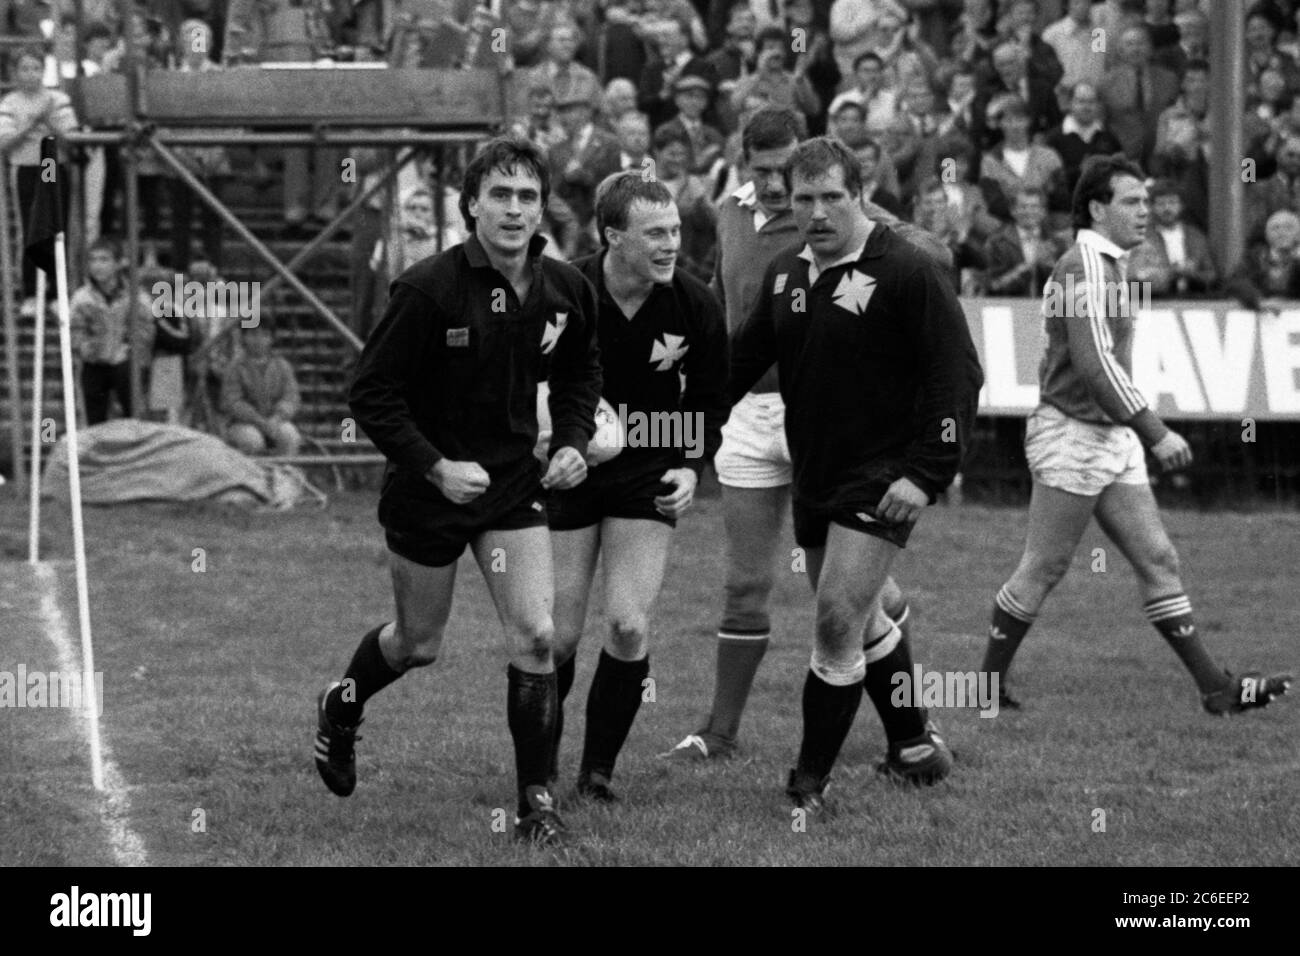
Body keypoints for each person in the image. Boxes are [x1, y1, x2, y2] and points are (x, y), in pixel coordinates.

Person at [314, 137, 603, 848]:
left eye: (526, 197)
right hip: (428, 491)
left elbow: (579, 378)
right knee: (417, 644)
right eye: (499, 195)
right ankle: (341, 706)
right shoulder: (427, 288)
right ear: (471, 203)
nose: (513, 209)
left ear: (542, 209)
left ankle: (537, 804)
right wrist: (436, 466)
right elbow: (371, 395)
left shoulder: (567, 289)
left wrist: (569, 441)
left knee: (538, 637)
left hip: (511, 489)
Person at [980, 155, 1292, 715]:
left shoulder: (1110, 264)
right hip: (1073, 434)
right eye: (1132, 201)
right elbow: (1094, 363)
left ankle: (1216, 690)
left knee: (1158, 559)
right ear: (1097, 208)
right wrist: (1155, 431)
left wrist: (1133, 434)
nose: (1145, 211)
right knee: (1044, 567)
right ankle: (984, 688)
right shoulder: (1083, 267)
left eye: (1147, 201)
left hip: (1107, 435)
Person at [725, 136, 982, 813]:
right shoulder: (786, 272)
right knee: (864, 616)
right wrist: (666, 433)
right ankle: (915, 749)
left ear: (860, 195)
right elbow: (737, 365)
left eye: (831, 197)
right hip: (816, 471)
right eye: (803, 198)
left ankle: (806, 787)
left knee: (836, 617)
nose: (816, 211)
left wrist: (926, 474)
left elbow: (957, 377)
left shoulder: (907, 270)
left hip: (885, 475)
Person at [547, 172, 728, 803]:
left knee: (626, 626)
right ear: (613, 236)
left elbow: (709, 400)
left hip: (647, 475)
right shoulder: (564, 290)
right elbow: (520, 376)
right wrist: (551, 441)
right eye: (655, 233)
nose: (671, 244)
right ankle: (537, 768)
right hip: (569, 472)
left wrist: (689, 466)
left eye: (675, 231)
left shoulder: (695, 303)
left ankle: (597, 772)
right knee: (555, 635)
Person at [0, 45, 77, 306]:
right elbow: (4, 141)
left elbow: (72, 138)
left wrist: (49, 123)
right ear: (15, 72)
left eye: (36, 68)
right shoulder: (9, 103)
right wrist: (31, 125)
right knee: (29, 229)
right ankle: (32, 292)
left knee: (56, 228)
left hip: (51, 162)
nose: (31, 74)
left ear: (43, 71)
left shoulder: (57, 99)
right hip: (25, 165)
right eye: (25, 68)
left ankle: (57, 292)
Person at [69, 237, 155, 425]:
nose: (97, 265)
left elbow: (145, 329)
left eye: (104, 259)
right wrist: (94, 350)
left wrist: (128, 351)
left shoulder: (136, 296)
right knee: (94, 416)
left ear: (117, 264)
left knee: (134, 413)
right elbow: (75, 333)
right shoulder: (82, 298)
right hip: (94, 362)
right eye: (93, 260)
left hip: (125, 362)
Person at [220, 320, 302, 455]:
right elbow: (233, 402)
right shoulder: (234, 368)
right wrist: (258, 420)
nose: (258, 340)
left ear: (271, 339)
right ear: (244, 337)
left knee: (290, 435)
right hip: (241, 424)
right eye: (253, 334)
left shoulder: (282, 366)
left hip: (276, 420)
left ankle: (284, 472)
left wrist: (277, 417)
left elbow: (291, 397)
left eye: (264, 335)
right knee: (252, 441)